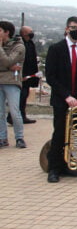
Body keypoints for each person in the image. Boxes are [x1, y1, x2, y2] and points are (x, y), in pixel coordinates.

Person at [45, 17, 77, 182]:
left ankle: (68, 165)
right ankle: (54, 168)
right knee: (59, 133)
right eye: (74, 27)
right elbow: (51, 76)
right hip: (62, 100)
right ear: (67, 29)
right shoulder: (55, 48)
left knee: (74, 134)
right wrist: (67, 96)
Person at [0, 20, 25, 149]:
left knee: (14, 111)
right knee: (0, 112)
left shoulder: (18, 46)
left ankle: (19, 137)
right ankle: (2, 138)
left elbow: (8, 61)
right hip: (1, 81)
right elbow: (8, 64)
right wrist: (9, 67)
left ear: (7, 32)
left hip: (12, 82)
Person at [10, 26, 38, 124]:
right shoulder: (18, 44)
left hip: (29, 75)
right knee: (20, 96)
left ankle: (21, 116)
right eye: (30, 31)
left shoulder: (30, 43)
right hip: (21, 75)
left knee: (24, 96)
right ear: (24, 33)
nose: (32, 33)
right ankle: (13, 116)